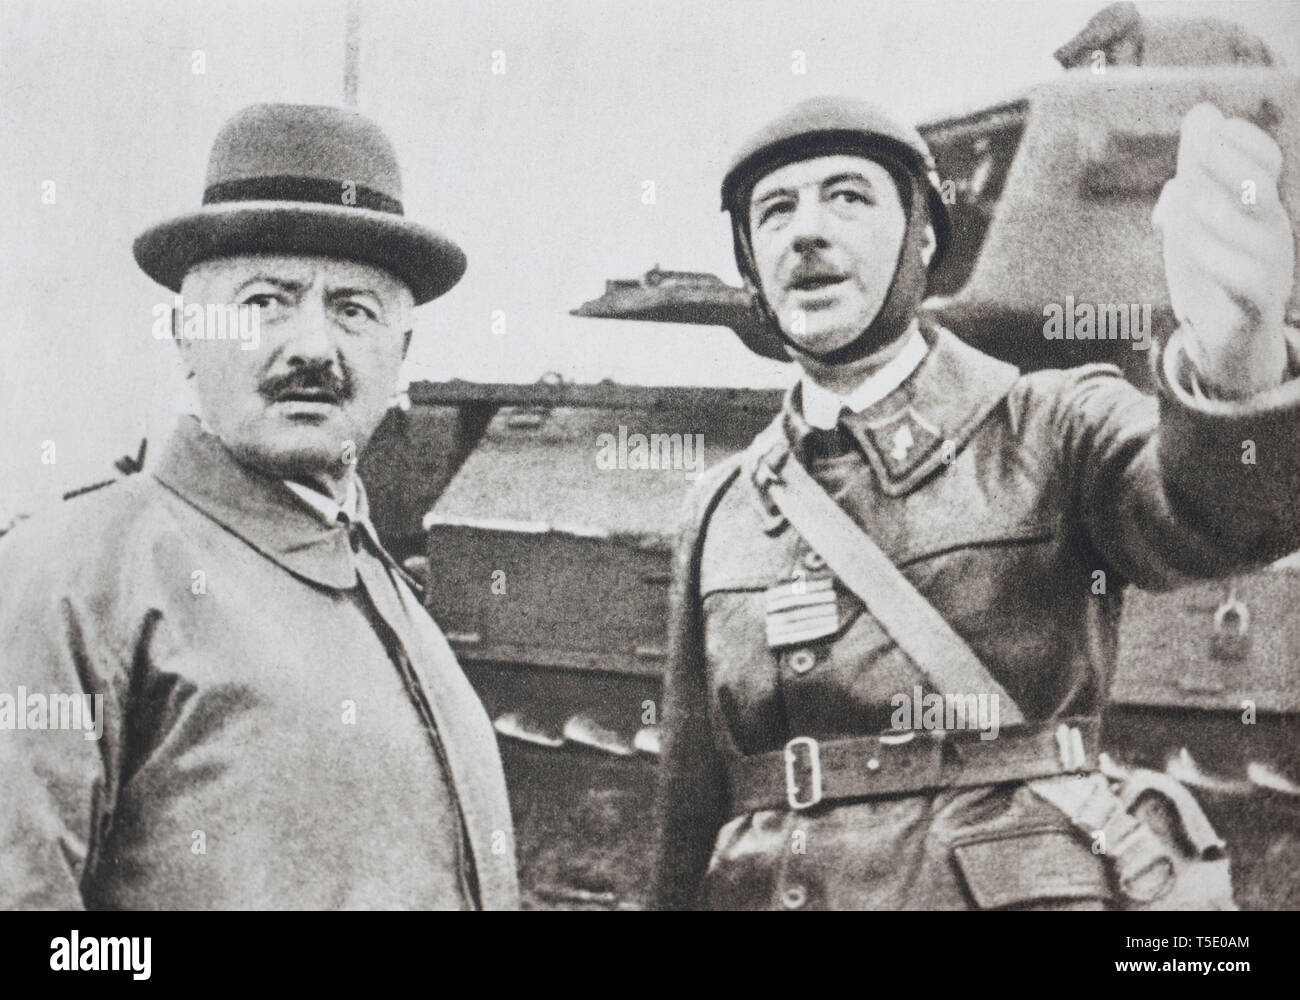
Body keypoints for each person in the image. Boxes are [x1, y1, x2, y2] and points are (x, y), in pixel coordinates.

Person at [652, 95, 1300, 910]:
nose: (806, 230)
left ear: (923, 236)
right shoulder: (723, 508)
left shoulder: (1053, 425)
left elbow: (1212, 516)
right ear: (751, 263)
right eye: (774, 210)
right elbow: (689, 812)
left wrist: (1240, 357)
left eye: (848, 196)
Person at [0, 103, 518, 910]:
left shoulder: (391, 599)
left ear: (402, 355)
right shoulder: (73, 573)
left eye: (354, 309)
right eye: (265, 302)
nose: (312, 346)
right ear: (184, 336)